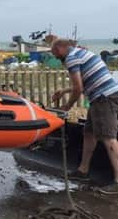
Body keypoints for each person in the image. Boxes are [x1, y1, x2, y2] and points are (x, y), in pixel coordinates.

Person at [51, 38, 118, 195]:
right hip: (101, 97)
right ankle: (83, 171)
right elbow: (86, 81)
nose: (55, 57)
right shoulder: (80, 53)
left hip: (104, 97)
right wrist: (64, 91)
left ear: (60, 49)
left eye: (54, 53)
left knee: (108, 138)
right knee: (89, 133)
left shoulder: (71, 58)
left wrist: (67, 106)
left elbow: (79, 88)